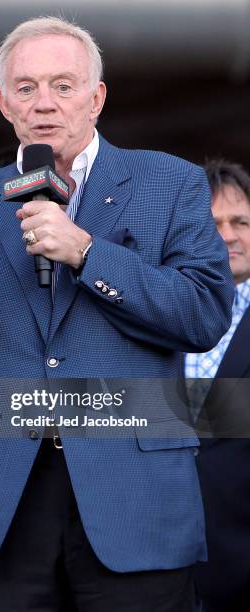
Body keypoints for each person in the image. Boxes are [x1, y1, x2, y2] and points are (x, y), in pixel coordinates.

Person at [0, 16, 234, 612]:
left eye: (63, 86)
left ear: (97, 98)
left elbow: (202, 314)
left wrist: (87, 253)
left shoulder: (169, 182)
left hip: (131, 495)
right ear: (2, 103)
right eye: (26, 87)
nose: (44, 103)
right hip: (3, 501)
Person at [185, 159, 250, 612]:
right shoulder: (159, 311)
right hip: (158, 560)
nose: (227, 235)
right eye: (214, 224)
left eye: (241, 222)